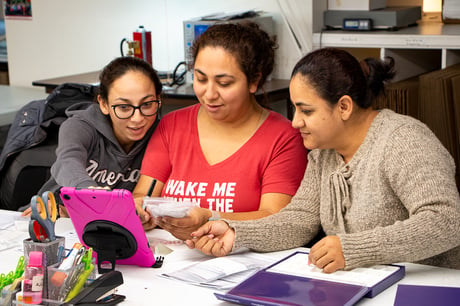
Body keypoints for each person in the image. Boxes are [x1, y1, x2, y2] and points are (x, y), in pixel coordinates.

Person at [185, 48, 460, 273]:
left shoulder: (403, 140)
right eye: (294, 109)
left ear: (343, 107)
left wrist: (353, 248)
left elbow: (446, 221)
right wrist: (237, 233)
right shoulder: (323, 153)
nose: (295, 122)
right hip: (365, 285)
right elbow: (300, 220)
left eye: (306, 111)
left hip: (427, 286)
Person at [133, 22, 307, 239]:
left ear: (254, 81)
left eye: (224, 83)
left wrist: (211, 218)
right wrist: (140, 212)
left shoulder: (282, 138)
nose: (209, 94)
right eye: (200, 79)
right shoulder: (172, 126)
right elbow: (144, 194)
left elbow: (275, 219)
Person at [22, 56, 163, 216]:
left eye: (146, 105)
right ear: (103, 104)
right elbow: (67, 161)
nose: (137, 118)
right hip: (54, 215)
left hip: (112, 223)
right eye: (124, 107)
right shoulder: (80, 126)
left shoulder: (163, 135)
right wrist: (89, 193)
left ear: (158, 99)